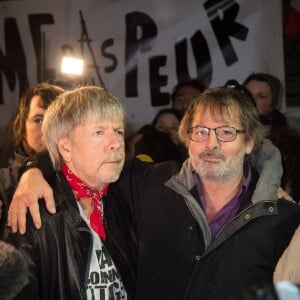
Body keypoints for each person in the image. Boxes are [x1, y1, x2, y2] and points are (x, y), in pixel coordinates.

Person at [7, 87, 300, 300]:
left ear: (250, 142)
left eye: (226, 132)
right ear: (186, 139)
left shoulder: (284, 221)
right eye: (200, 131)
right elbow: (82, 159)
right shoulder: (150, 183)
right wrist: (32, 169)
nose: (211, 143)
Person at [5, 86, 136, 299]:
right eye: (99, 132)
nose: (115, 144)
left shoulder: (129, 195)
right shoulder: (31, 208)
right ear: (65, 148)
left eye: (118, 131)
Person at [0, 82, 64, 229]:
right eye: (39, 120)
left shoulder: (87, 180)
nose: (48, 128)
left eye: (56, 119)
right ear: (22, 129)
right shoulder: (3, 184)